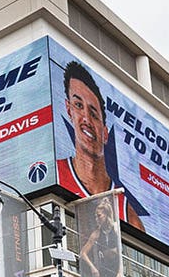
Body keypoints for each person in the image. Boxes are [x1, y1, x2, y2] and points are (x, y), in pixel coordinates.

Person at [56, 60, 144, 230]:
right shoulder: (56, 174)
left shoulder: (127, 213)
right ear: (69, 110)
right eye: (78, 106)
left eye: (94, 114)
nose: (86, 119)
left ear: (105, 133)